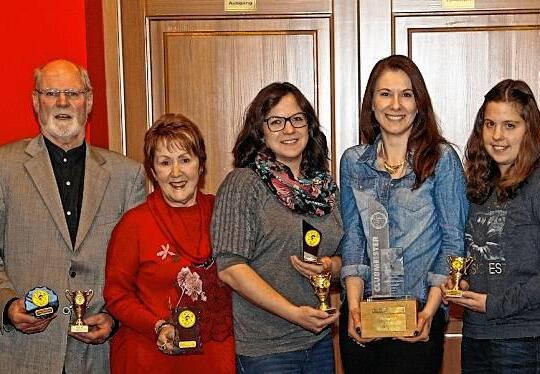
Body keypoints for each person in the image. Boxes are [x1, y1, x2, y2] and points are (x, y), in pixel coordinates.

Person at [0, 59, 145, 373]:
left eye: (73, 94)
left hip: (99, 357)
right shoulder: (3, 168)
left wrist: (116, 315)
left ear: (89, 101)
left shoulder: (128, 175)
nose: (62, 103)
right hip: (24, 355)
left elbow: (139, 264)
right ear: (35, 101)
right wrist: (7, 305)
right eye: (51, 93)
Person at [339, 54, 468, 374]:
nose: (395, 104)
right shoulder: (353, 162)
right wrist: (353, 308)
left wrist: (431, 312)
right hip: (364, 312)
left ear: (418, 104)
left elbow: (453, 241)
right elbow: (353, 238)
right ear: (371, 103)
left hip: (420, 313)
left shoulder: (442, 159)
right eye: (385, 94)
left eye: (406, 94)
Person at [443, 79, 540, 373]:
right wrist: (460, 283)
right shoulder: (479, 186)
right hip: (477, 335)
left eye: (509, 125)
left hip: (528, 340)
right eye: (490, 124)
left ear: (529, 130)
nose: (497, 136)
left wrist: (497, 304)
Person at [211, 82, 342, 373]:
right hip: (266, 350)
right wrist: (295, 314)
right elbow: (230, 268)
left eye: (297, 119)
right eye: (276, 122)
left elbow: (344, 258)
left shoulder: (325, 188)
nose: (289, 129)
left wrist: (328, 266)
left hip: (318, 342)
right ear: (260, 130)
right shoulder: (243, 184)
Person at [104, 113, 235, 373]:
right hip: (151, 358)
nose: (176, 173)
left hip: (215, 360)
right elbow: (116, 295)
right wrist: (157, 325)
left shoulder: (224, 213)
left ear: (201, 165)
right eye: (165, 162)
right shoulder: (133, 224)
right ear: (152, 171)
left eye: (185, 160)